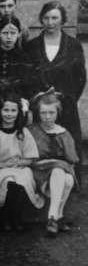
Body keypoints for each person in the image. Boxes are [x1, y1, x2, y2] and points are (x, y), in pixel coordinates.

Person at [26, 1, 86, 168]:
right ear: (41, 19)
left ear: (62, 20)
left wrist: (65, 97)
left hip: (66, 107)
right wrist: (39, 96)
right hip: (40, 108)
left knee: (68, 150)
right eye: (46, 18)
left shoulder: (73, 45)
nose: (50, 22)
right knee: (40, 150)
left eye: (54, 18)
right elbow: (26, 76)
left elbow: (80, 77)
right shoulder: (31, 46)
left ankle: (70, 183)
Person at [0, 93, 43, 232]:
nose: (9, 114)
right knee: (8, 179)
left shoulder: (23, 132)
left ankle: (16, 216)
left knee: (20, 179)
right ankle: (5, 216)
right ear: (0, 111)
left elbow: (31, 157)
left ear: (18, 112)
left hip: (20, 167)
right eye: (6, 110)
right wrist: (0, 165)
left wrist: (20, 163)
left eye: (13, 111)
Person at [28, 90, 78, 237]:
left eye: (51, 113)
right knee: (59, 170)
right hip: (38, 173)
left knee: (65, 176)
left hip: (58, 175)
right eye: (44, 113)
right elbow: (29, 157)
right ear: (39, 113)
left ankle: (53, 218)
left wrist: (58, 164)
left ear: (58, 113)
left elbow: (72, 161)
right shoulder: (32, 130)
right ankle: (58, 216)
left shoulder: (64, 133)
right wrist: (54, 163)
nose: (48, 117)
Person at [0, 16, 34, 100]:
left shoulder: (24, 58)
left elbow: (27, 85)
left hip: (17, 100)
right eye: (5, 33)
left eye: (13, 33)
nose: (9, 37)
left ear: (19, 34)